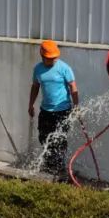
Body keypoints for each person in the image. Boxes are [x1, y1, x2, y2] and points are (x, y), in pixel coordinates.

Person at [28, 40, 79, 177]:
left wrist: (76, 107)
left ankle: (58, 169)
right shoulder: (38, 69)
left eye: (54, 57)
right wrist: (31, 104)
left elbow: (73, 87)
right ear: (42, 56)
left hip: (63, 111)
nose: (53, 60)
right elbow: (35, 87)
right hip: (46, 111)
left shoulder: (64, 68)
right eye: (50, 58)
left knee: (60, 140)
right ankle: (49, 165)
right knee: (43, 137)